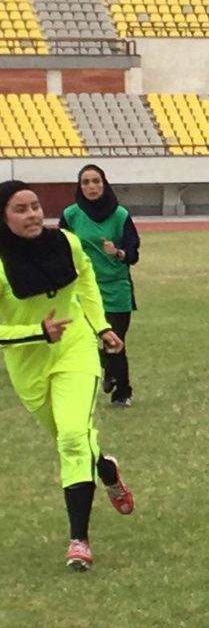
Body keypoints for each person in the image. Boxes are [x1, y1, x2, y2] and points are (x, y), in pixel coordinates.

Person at [0, 180, 134, 571]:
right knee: (70, 439)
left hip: (74, 351)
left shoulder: (66, 243)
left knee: (73, 438)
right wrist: (35, 332)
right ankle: (106, 469)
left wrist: (101, 326)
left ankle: (79, 541)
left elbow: (86, 283)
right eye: (20, 209)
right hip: (28, 366)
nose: (33, 215)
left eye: (36, 206)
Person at [59, 164, 140, 407]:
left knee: (114, 341)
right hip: (83, 289)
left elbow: (133, 254)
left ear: (104, 183)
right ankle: (108, 368)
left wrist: (117, 253)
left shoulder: (120, 215)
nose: (91, 187)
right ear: (79, 186)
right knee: (86, 339)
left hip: (116, 287)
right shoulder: (71, 215)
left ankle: (122, 393)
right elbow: (60, 249)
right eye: (86, 182)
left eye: (96, 181)